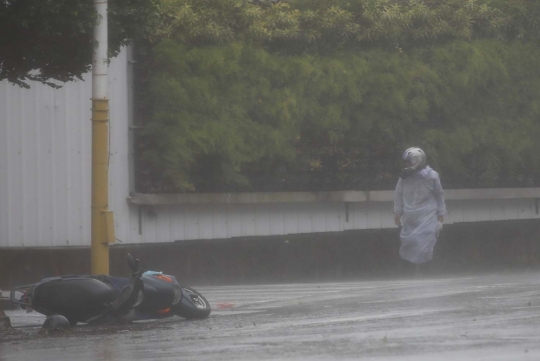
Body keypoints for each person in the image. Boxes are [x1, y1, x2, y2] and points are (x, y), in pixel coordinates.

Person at [393, 147, 446, 275]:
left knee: (426, 243)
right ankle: (411, 272)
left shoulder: (432, 176)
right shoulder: (404, 178)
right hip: (410, 215)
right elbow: (398, 194)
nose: (405, 165)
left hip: (427, 215)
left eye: (408, 162)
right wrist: (397, 212)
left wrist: (441, 213)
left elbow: (439, 195)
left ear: (416, 161)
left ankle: (428, 271)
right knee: (410, 242)